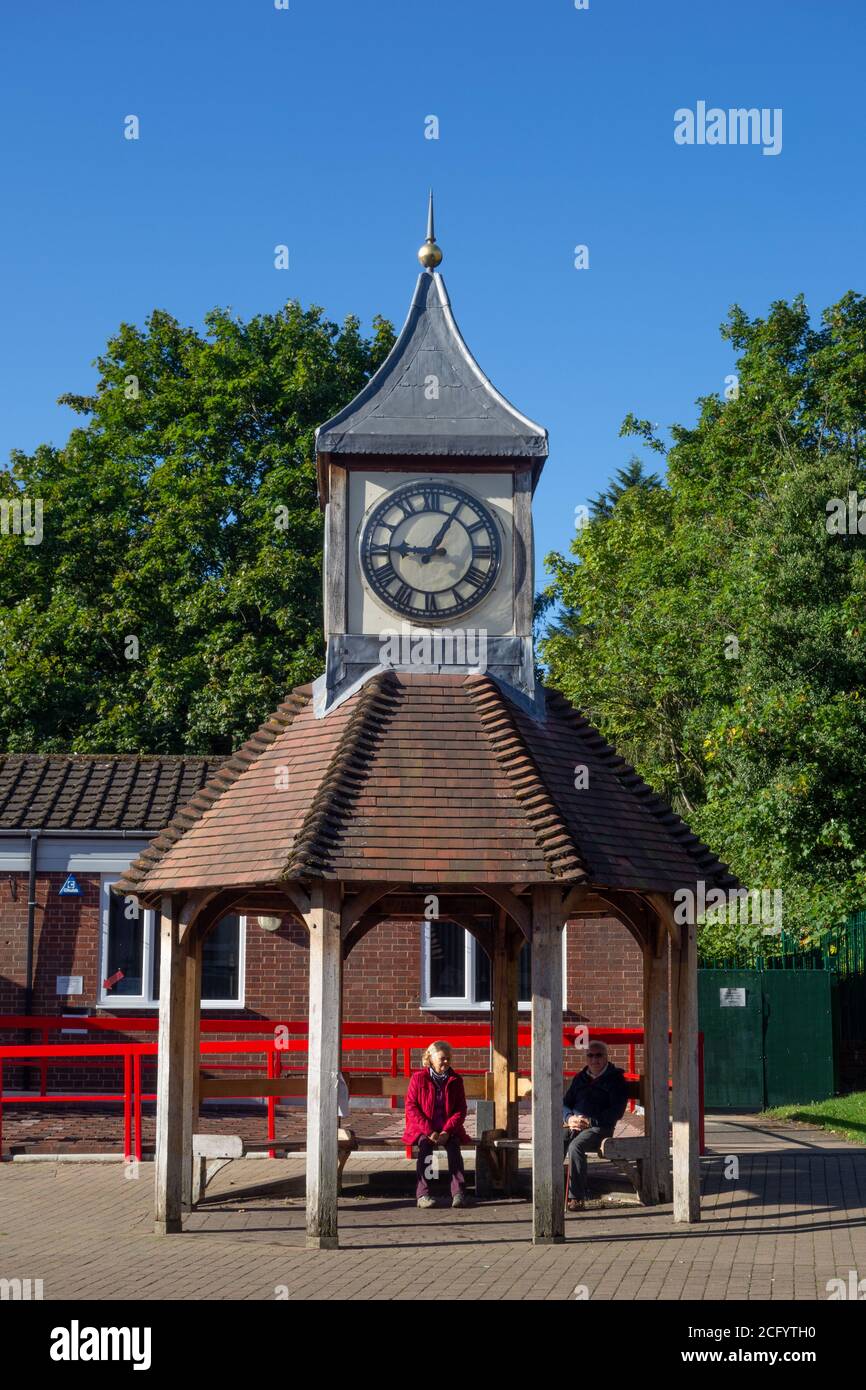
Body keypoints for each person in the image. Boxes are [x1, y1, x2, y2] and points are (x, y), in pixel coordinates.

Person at [562, 1040, 628, 1212]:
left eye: (598, 1055)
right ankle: (552, 1188)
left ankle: (576, 1198)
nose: (594, 1059)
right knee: (554, 1141)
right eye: (590, 1055)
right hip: (575, 1124)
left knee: (576, 1147)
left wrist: (591, 1121)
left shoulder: (616, 1080)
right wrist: (569, 1118)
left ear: (606, 1057)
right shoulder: (580, 1078)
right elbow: (565, 1103)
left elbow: (616, 1111)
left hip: (600, 1128)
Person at [404, 1040, 470, 1209]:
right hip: (424, 1130)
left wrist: (447, 1131)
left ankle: (458, 1193)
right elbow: (411, 1107)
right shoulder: (418, 1078)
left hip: (447, 1130)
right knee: (426, 1149)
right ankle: (424, 1194)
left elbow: (460, 1110)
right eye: (442, 1058)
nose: (446, 1062)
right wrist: (429, 1131)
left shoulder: (456, 1080)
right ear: (431, 1059)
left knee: (454, 1147)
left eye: (448, 1058)